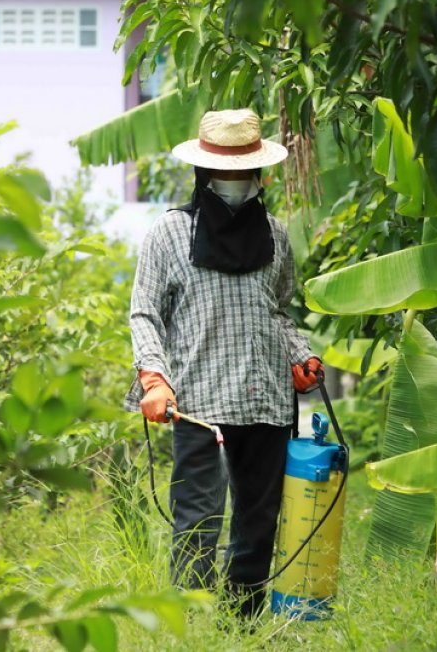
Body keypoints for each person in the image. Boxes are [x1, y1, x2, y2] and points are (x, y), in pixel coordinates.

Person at [125, 108, 323, 618]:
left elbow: (275, 309)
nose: (234, 183)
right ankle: (189, 626)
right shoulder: (168, 235)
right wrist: (153, 377)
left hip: (264, 399)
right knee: (197, 520)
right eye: (225, 174)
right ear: (204, 174)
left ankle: (243, 626)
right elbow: (144, 312)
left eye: (243, 173)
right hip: (195, 400)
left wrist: (301, 356)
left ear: (257, 174)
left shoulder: (276, 235)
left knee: (259, 521)